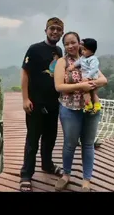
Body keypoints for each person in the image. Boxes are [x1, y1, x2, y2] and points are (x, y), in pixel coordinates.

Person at [54, 31, 107, 192]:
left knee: (88, 144)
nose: (70, 46)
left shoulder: (88, 60)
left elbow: (103, 80)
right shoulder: (62, 62)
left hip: (90, 110)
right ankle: (66, 175)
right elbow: (59, 87)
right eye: (67, 44)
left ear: (80, 43)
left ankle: (86, 180)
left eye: (73, 42)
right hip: (69, 109)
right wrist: (82, 86)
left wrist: (90, 84)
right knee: (69, 144)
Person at [20, 17, 64, 192]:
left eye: (58, 30)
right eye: (52, 28)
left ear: (61, 33)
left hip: (53, 104)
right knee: (32, 140)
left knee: (50, 138)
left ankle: (47, 164)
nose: (54, 32)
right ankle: (26, 174)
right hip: (35, 104)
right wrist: (25, 99)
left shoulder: (59, 51)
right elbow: (25, 73)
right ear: (45, 30)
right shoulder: (35, 49)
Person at [67, 38, 101, 114]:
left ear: (91, 51)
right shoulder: (83, 58)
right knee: (91, 93)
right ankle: (95, 105)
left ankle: (90, 105)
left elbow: (94, 69)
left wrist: (88, 77)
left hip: (91, 77)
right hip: (86, 77)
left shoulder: (93, 59)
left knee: (87, 92)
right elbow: (78, 62)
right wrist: (72, 66)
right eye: (82, 49)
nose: (82, 51)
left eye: (85, 50)